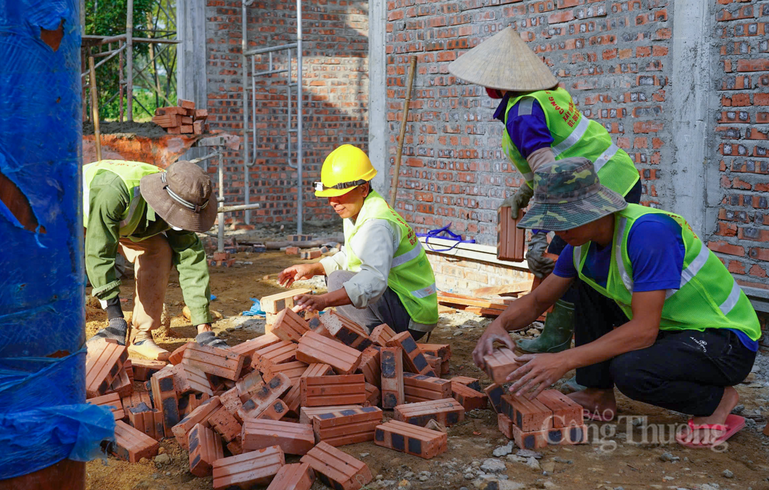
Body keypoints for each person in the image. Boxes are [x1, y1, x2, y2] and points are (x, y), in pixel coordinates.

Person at [472, 157, 760, 448]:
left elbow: (643, 332)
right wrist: (499, 325)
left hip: (724, 341)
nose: (559, 232)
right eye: (553, 222)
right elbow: (537, 300)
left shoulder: (649, 233)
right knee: (587, 284)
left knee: (631, 371)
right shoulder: (580, 246)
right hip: (672, 330)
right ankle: (596, 393)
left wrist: (563, 360)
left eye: (565, 220)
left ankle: (715, 401)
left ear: (594, 209)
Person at [449, 27, 642, 356]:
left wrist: (539, 234)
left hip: (597, 191)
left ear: (497, 83)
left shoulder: (522, 115)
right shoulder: (547, 96)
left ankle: (562, 342)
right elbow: (556, 160)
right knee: (577, 265)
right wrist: (523, 193)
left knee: (564, 262)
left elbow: (549, 173)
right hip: (617, 178)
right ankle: (562, 339)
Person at [277, 144, 438, 340]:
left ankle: (373, 342)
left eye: (339, 195)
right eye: (329, 196)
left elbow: (373, 281)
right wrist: (313, 268)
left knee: (337, 280)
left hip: (413, 315)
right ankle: (357, 334)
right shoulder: (358, 211)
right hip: (405, 305)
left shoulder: (377, 224)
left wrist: (324, 300)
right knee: (334, 277)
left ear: (363, 189)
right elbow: (351, 256)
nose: (332, 202)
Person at [84, 159, 227, 360]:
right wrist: (116, 320)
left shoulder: (184, 193)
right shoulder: (115, 192)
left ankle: (141, 336)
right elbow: (99, 251)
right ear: (165, 202)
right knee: (59, 266)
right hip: (70, 215)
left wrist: (204, 331)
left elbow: (191, 260)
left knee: (159, 250)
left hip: (123, 222)